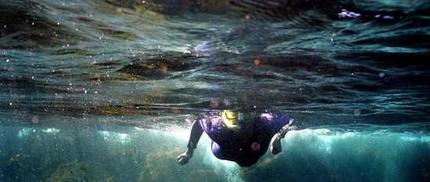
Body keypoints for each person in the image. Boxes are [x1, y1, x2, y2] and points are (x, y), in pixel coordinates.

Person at [177, 110, 294, 167]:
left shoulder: (264, 126)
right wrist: (189, 152)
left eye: (244, 126)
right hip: (229, 152)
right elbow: (289, 119)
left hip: (234, 153)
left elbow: (199, 122)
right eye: (238, 127)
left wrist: (189, 152)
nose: (242, 131)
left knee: (247, 161)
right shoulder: (265, 127)